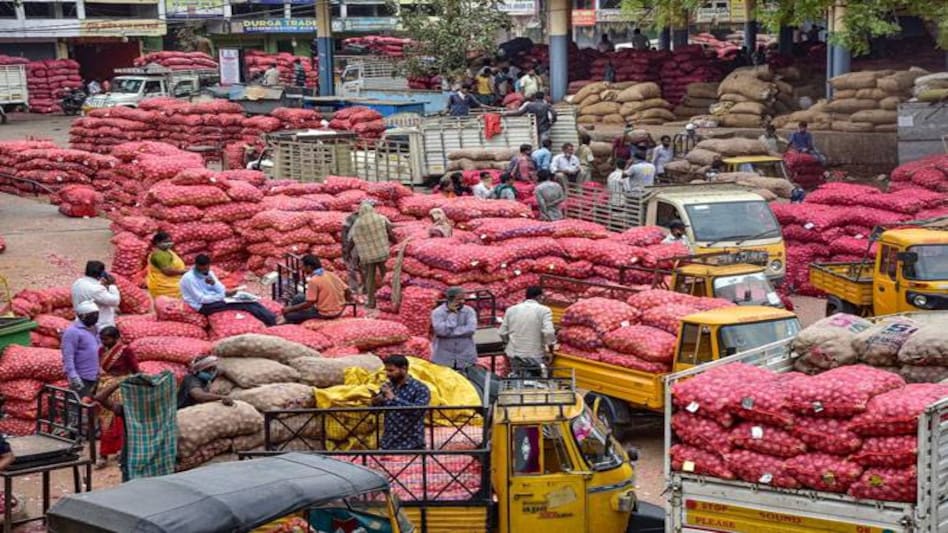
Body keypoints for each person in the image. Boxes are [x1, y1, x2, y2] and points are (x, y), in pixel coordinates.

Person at [179, 254, 277, 326]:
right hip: (203, 306)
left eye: (207, 267)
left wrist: (215, 284)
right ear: (197, 265)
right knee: (245, 305)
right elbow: (202, 299)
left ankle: (272, 317)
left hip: (215, 298)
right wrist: (223, 295)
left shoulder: (209, 273)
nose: (206, 270)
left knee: (252, 301)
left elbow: (221, 288)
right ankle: (272, 322)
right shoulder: (189, 278)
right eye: (203, 268)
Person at [95, 326, 140, 469]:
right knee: (105, 422)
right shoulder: (101, 351)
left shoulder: (126, 351)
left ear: (116, 338)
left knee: (118, 421)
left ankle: (121, 451)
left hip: (120, 388)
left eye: (107, 339)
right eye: (102, 339)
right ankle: (104, 454)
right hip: (105, 387)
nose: (104, 342)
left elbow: (135, 370)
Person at [372, 355, 431, 450]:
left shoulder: (420, 388)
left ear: (404, 369)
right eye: (386, 371)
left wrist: (393, 398)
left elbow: (418, 411)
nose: (387, 374)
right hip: (388, 444)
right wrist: (376, 401)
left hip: (412, 445)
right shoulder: (388, 387)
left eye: (391, 371)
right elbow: (376, 412)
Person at [499, 286, 556, 377]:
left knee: (516, 378)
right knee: (535, 381)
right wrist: (550, 351)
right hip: (534, 355)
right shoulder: (544, 310)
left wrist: (509, 342)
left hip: (514, 354)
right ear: (539, 297)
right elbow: (549, 332)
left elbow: (502, 332)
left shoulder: (511, 310)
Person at [350, 201, 396, 309]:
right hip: (383, 252)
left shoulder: (357, 223)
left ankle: (371, 302)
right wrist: (396, 242)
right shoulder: (381, 218)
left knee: (369, 279)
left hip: (367, 255)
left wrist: (348, 251)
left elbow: (352, 239)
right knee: (387, 277)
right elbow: (390, 232)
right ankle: (390, 299)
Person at [282, 255, 348, 324]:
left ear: (309, 267)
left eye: (302, 266)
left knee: (289, 315)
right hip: (339, 310)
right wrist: (343, 303)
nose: (301, 268)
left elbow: (309, 303)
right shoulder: (330, 274)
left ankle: (298, 320)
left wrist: (290, 309)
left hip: (325, 313)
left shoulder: (314, 280)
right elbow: (347, 290)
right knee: (299, 297)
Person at [62, 300, 102, 402]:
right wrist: (73, 376)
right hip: (81, 377)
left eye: (97, 314)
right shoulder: (72, 332)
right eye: (92, 315)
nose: (96, 317)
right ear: (82, 316)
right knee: (78, 405)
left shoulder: (95, 329)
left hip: (95, 376)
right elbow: (68, 355)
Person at [430, 287, 478, 370]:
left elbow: (471, 329)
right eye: (459, 299)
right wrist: (453, 314)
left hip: (465, 357)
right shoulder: (438, 312)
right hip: (444, 358)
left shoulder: (469, 311)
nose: (462, 301)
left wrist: (449, 332)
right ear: (449, 299)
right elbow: (441, 331)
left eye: (463, 299)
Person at [72, 260, 121, 330]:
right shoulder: (96, 289)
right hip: (99, 326)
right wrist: (112, 285)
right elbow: (115, 301)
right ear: (101, 274)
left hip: (81, 321)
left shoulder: (77, 283)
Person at [146, 231, 188, 299]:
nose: (169, 243)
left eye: (170, 241)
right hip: (166, 287)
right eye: (166, 242)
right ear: (157, 242)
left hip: (171, 284)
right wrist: (185, 271)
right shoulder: (159, 255)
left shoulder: (167, 252)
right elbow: (167, 271)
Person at [341, 210, 362, 296]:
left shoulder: (369, 218)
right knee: (352, 268)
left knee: (360, 268)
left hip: (361, 247)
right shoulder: (352, 218)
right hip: (353, 246)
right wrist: (346, 246)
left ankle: (362, 288)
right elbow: (345, 232)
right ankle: (355, 289)